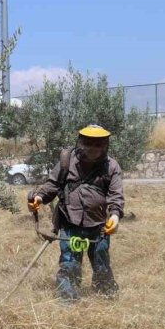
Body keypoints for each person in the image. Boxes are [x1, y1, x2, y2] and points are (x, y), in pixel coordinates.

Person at [27, 125, 124, 301]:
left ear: (105, 146)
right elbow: (52, 184)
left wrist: (115, 216)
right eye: (89, 144)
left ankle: (106, 296)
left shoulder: (112, 166)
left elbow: (116, 196)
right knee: (69, 263)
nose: (94, 149)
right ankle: (67, 300)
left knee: (101, 262)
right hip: (70, 223)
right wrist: (40, 197)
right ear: (82, 143)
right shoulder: (66, 161)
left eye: (98, 145)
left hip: (99, 227)